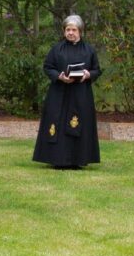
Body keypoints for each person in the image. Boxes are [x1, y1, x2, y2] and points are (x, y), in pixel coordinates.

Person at [33, 15, 101, 168]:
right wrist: (59, 76)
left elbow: (96, 70)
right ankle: (58, 160)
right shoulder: (57, 49)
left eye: (74, 30)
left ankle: (78, 160)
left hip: (81, 94)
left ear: (80, 31)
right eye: (68, 30)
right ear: (64, 31)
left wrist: (88, 74)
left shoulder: (89, 50)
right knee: (59, 122)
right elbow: (48, 67)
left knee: (80, 122)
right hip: (59, 93)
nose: (70, 33)